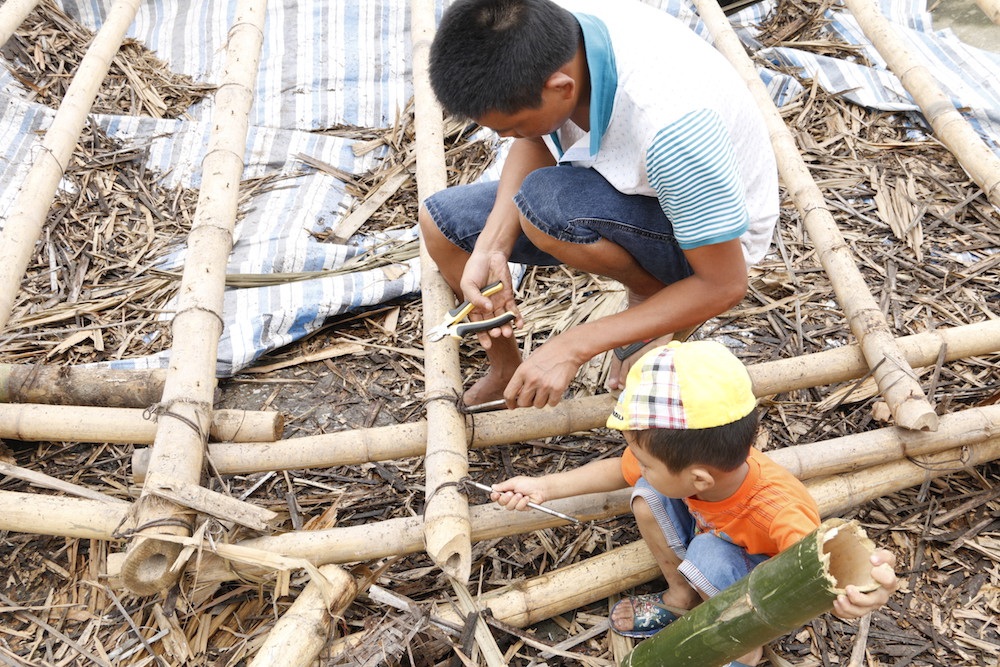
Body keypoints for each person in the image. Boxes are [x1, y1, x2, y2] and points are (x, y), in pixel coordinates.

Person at [419, 0, 779, 408]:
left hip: (706, 239)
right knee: (441, 226)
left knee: (542, 205)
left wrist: (572, 346)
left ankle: (658, 291)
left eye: (511, 125)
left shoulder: (673, 129)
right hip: (618, 180)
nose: (506, 138)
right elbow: (534, 138)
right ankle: (505, 372)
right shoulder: (552, 33)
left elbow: (726, 284)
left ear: (561, 88)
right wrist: (492, 246)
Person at [489, 340, 899, 665]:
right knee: (647, 495)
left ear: (698, 478)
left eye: (647, 462)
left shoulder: (778, 508)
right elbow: (621, 469)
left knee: (707, 553)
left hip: (752, 587)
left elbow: (821, 566)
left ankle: (743, 648)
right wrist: (542, 487)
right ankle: (681, 595)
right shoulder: (695, 469)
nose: (638, 466)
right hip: (710, 540)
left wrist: (863, 592)